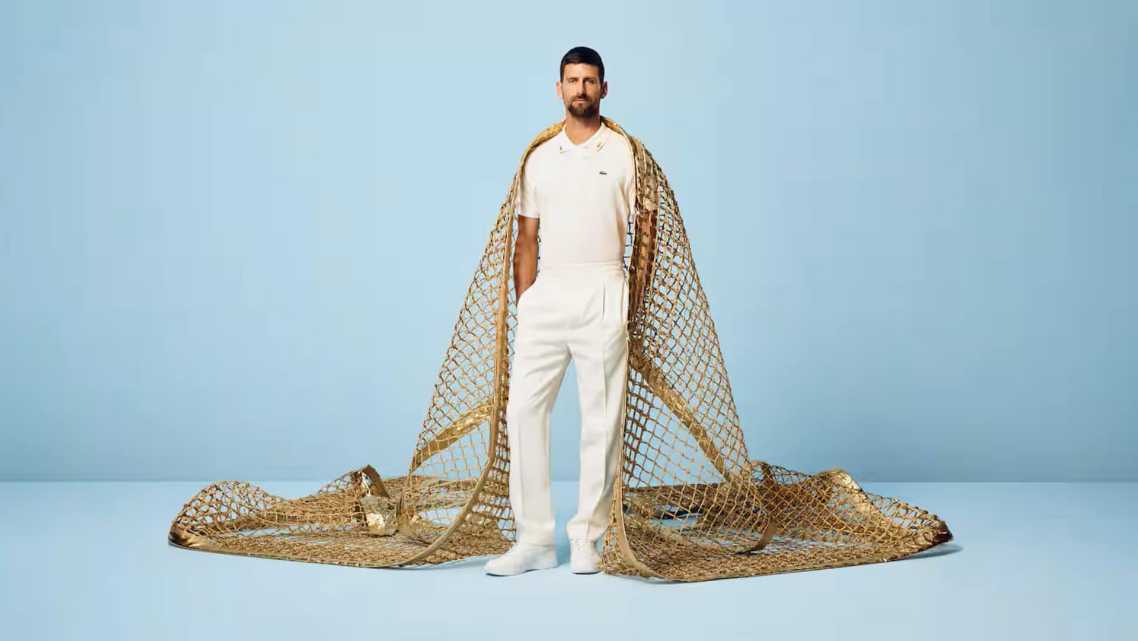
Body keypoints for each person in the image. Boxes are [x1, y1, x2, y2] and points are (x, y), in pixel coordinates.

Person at [484, 46, 634, 577]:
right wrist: (527, 302)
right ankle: (534, 541)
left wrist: (630, 301)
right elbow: (525, 237)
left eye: (590, 80)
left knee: (601, 418)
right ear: (559, 88)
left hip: (603, 286)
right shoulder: (540, 158)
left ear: (604, 88)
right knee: (523, 412)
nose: (581, 89)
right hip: (548, 291)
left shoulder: (625, 154)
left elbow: (648, 232)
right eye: (572, 80)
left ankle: (588, 537)